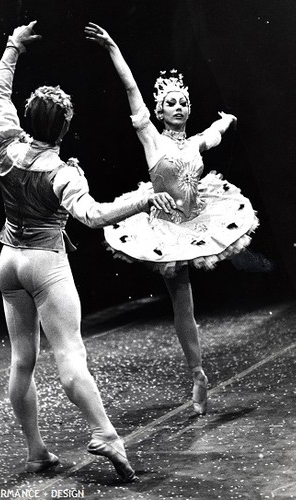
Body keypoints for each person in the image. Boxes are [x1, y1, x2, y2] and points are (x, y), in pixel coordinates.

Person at [0, 21, 176, 481]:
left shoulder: (7, 145)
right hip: (45, 264)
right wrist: (144, 197)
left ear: (28, 120)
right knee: (70, 355)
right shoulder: (62, 172)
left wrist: (13, 46)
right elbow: (92, 216)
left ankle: (36, 453)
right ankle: (105, 434)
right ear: (65, 126)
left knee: (22, 361)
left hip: (7, 261)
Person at [85, 23, 258, 415]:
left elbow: (214, 133)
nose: (178, 107)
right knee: (184, 303)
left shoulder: (195, 142)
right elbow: (131, 90)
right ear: (159, 110)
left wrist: (227, 119)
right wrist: (113, 47)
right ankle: (197, 373)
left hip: (200, 217)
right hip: (165, 228)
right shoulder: (151, 137)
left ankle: (197, 370)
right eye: (171, 103)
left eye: (183, 102)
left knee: (196, 292)